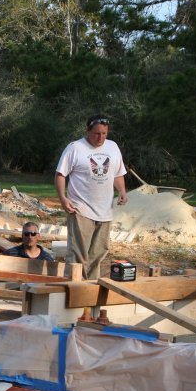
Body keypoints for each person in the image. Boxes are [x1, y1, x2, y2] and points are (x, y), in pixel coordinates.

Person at [54, 114, 128, 280]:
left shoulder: (113, 147)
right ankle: (74, 288)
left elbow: (117, 174)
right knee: (78, 254)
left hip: (105, 211)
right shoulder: (75, 148)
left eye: (104, 134)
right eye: (97, 134)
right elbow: (60, 175)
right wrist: (63, 198)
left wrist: (122, 191)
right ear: (87, 130)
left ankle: (90, 289)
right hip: (80, 209)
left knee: (98, 254)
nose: (101, 138)